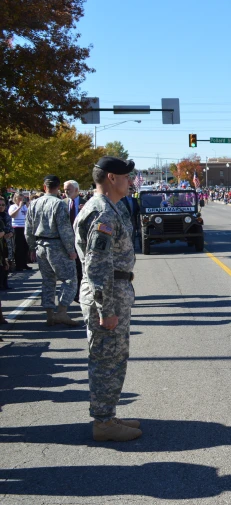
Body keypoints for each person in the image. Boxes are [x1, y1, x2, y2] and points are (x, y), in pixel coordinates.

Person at [75, 157, 142, 442]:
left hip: (115, 290)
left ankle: (108, 413)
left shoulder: (111, 207)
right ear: (112, 178)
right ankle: (103, 423)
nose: (132, 181)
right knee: (106, 359)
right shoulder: (102, 212)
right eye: (128, 176)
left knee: (115, 356)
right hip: (107, 295)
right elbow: (97, 265)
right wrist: (105, 308)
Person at [24, 175, 79, 326]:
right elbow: (65, 229)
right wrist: (71, 249)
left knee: (48, 281)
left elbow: (28, 229)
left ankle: (49, 315)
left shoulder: (34, 203)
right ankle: (61, 312)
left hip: (40, 245)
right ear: (58, 187)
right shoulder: (59, 204)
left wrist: (31, 247)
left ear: (44, 187)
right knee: (70, 279)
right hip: (57, 245)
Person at [65, 180, 85, 300]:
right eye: (65, 190)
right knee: (68, 269)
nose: (66, 192)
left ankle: (79, 292)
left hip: (80, 240)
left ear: (77, 190)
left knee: (80, 268)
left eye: (69, 189)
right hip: (66, 241)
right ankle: (70, 292)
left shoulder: (86, 203)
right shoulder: (62, 203)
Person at [9, 193, 31, 271]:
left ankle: (24, 263)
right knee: (18, 247)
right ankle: (18, 265)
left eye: (22, 199)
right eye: (19, 198)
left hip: (25, 227)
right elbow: (12, 215)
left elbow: (29, 215)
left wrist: (27, 205)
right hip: (17, 228)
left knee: (25, 246)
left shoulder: (25, 207)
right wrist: (19, 207)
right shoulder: (13, 206)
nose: (21, 200)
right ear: (15, 198)